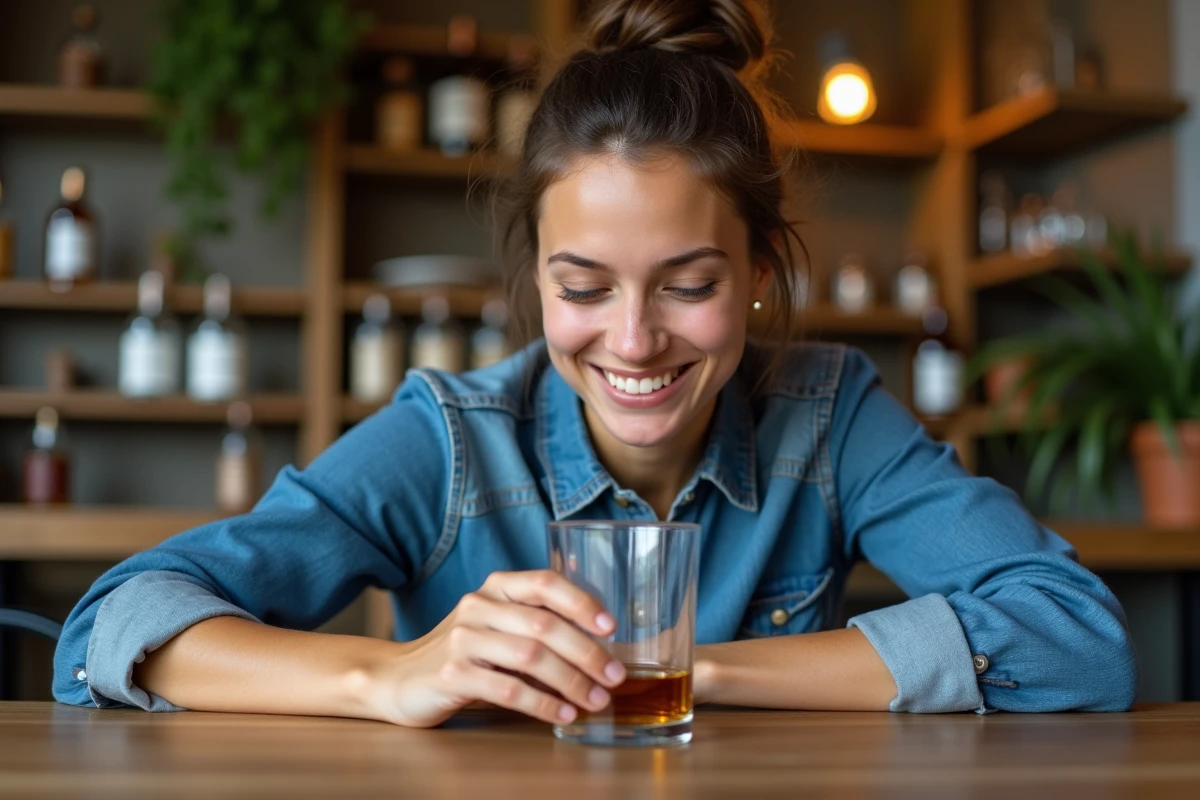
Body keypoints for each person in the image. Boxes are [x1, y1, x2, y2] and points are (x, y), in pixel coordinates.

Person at [53, 0, 1137, 725]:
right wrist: (388, 673)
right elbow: (108, 628)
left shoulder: (832, 411)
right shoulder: (453, 433)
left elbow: (1074, 638)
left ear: (760, 270)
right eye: (584, 287)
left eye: (690, 283)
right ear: (537, 283)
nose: (631, 339)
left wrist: (679, 670)